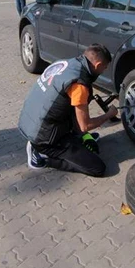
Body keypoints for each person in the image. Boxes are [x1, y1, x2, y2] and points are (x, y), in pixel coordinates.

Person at [18, 44, 118, 177]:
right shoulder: (79, 85)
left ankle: (75, 139)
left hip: (31, 123)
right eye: (104, 68)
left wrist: (82, 134)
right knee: (97, 168)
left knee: (74, 110)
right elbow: (85, 125)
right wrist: (109, 114)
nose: (103, 71)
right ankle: (41, 157)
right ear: (98, 65)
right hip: (44, 139)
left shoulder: (67, 63)